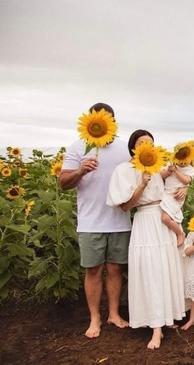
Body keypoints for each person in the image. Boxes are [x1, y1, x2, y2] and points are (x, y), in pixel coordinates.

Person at [106, 130, 185, 349]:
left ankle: (167, 318)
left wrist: (183, 189)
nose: (146, 146)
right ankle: (155, 327)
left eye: (150, 143)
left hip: (163, 219)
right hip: (144, 223)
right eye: (142, 143)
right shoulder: (124, 170)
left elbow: (173, 185)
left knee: (166, 269)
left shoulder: (157, 167)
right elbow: (124, 206)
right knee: (150, 272)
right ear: (133, 148)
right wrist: (141, 184)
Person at [59, 103, 130, 338]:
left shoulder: (124, 149)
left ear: (113, 122)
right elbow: (63, 183)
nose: (104, 125)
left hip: (119, 220)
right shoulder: (78, 147)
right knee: (93, 270)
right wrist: (80, 171)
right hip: (91, 222)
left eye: (108, 121)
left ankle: (113, 314)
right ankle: (94, 318)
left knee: (116, 269)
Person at [160, 149, 194, 247]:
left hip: (176, 197)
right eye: (180, 159)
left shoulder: (190, 169)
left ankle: (180, 233)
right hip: (166, 195)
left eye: (185, 159)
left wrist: (176, 171)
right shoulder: (170, 164)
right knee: (166, 217)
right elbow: (161, 176)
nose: (182, 162)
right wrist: (168, 171)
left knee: (165, 218)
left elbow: (186, 181)